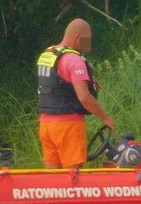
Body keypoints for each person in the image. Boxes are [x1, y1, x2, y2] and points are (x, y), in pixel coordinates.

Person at [37, 18, 115, 169]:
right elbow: (84, 97)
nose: (87, 45)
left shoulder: (47, 55)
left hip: (46, 124)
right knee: (74, 176)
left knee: (53, 179)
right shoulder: (74, 60)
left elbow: (53, 86)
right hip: (68, 126)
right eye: (87, 40)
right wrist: (105, 118)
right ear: (78, 37)